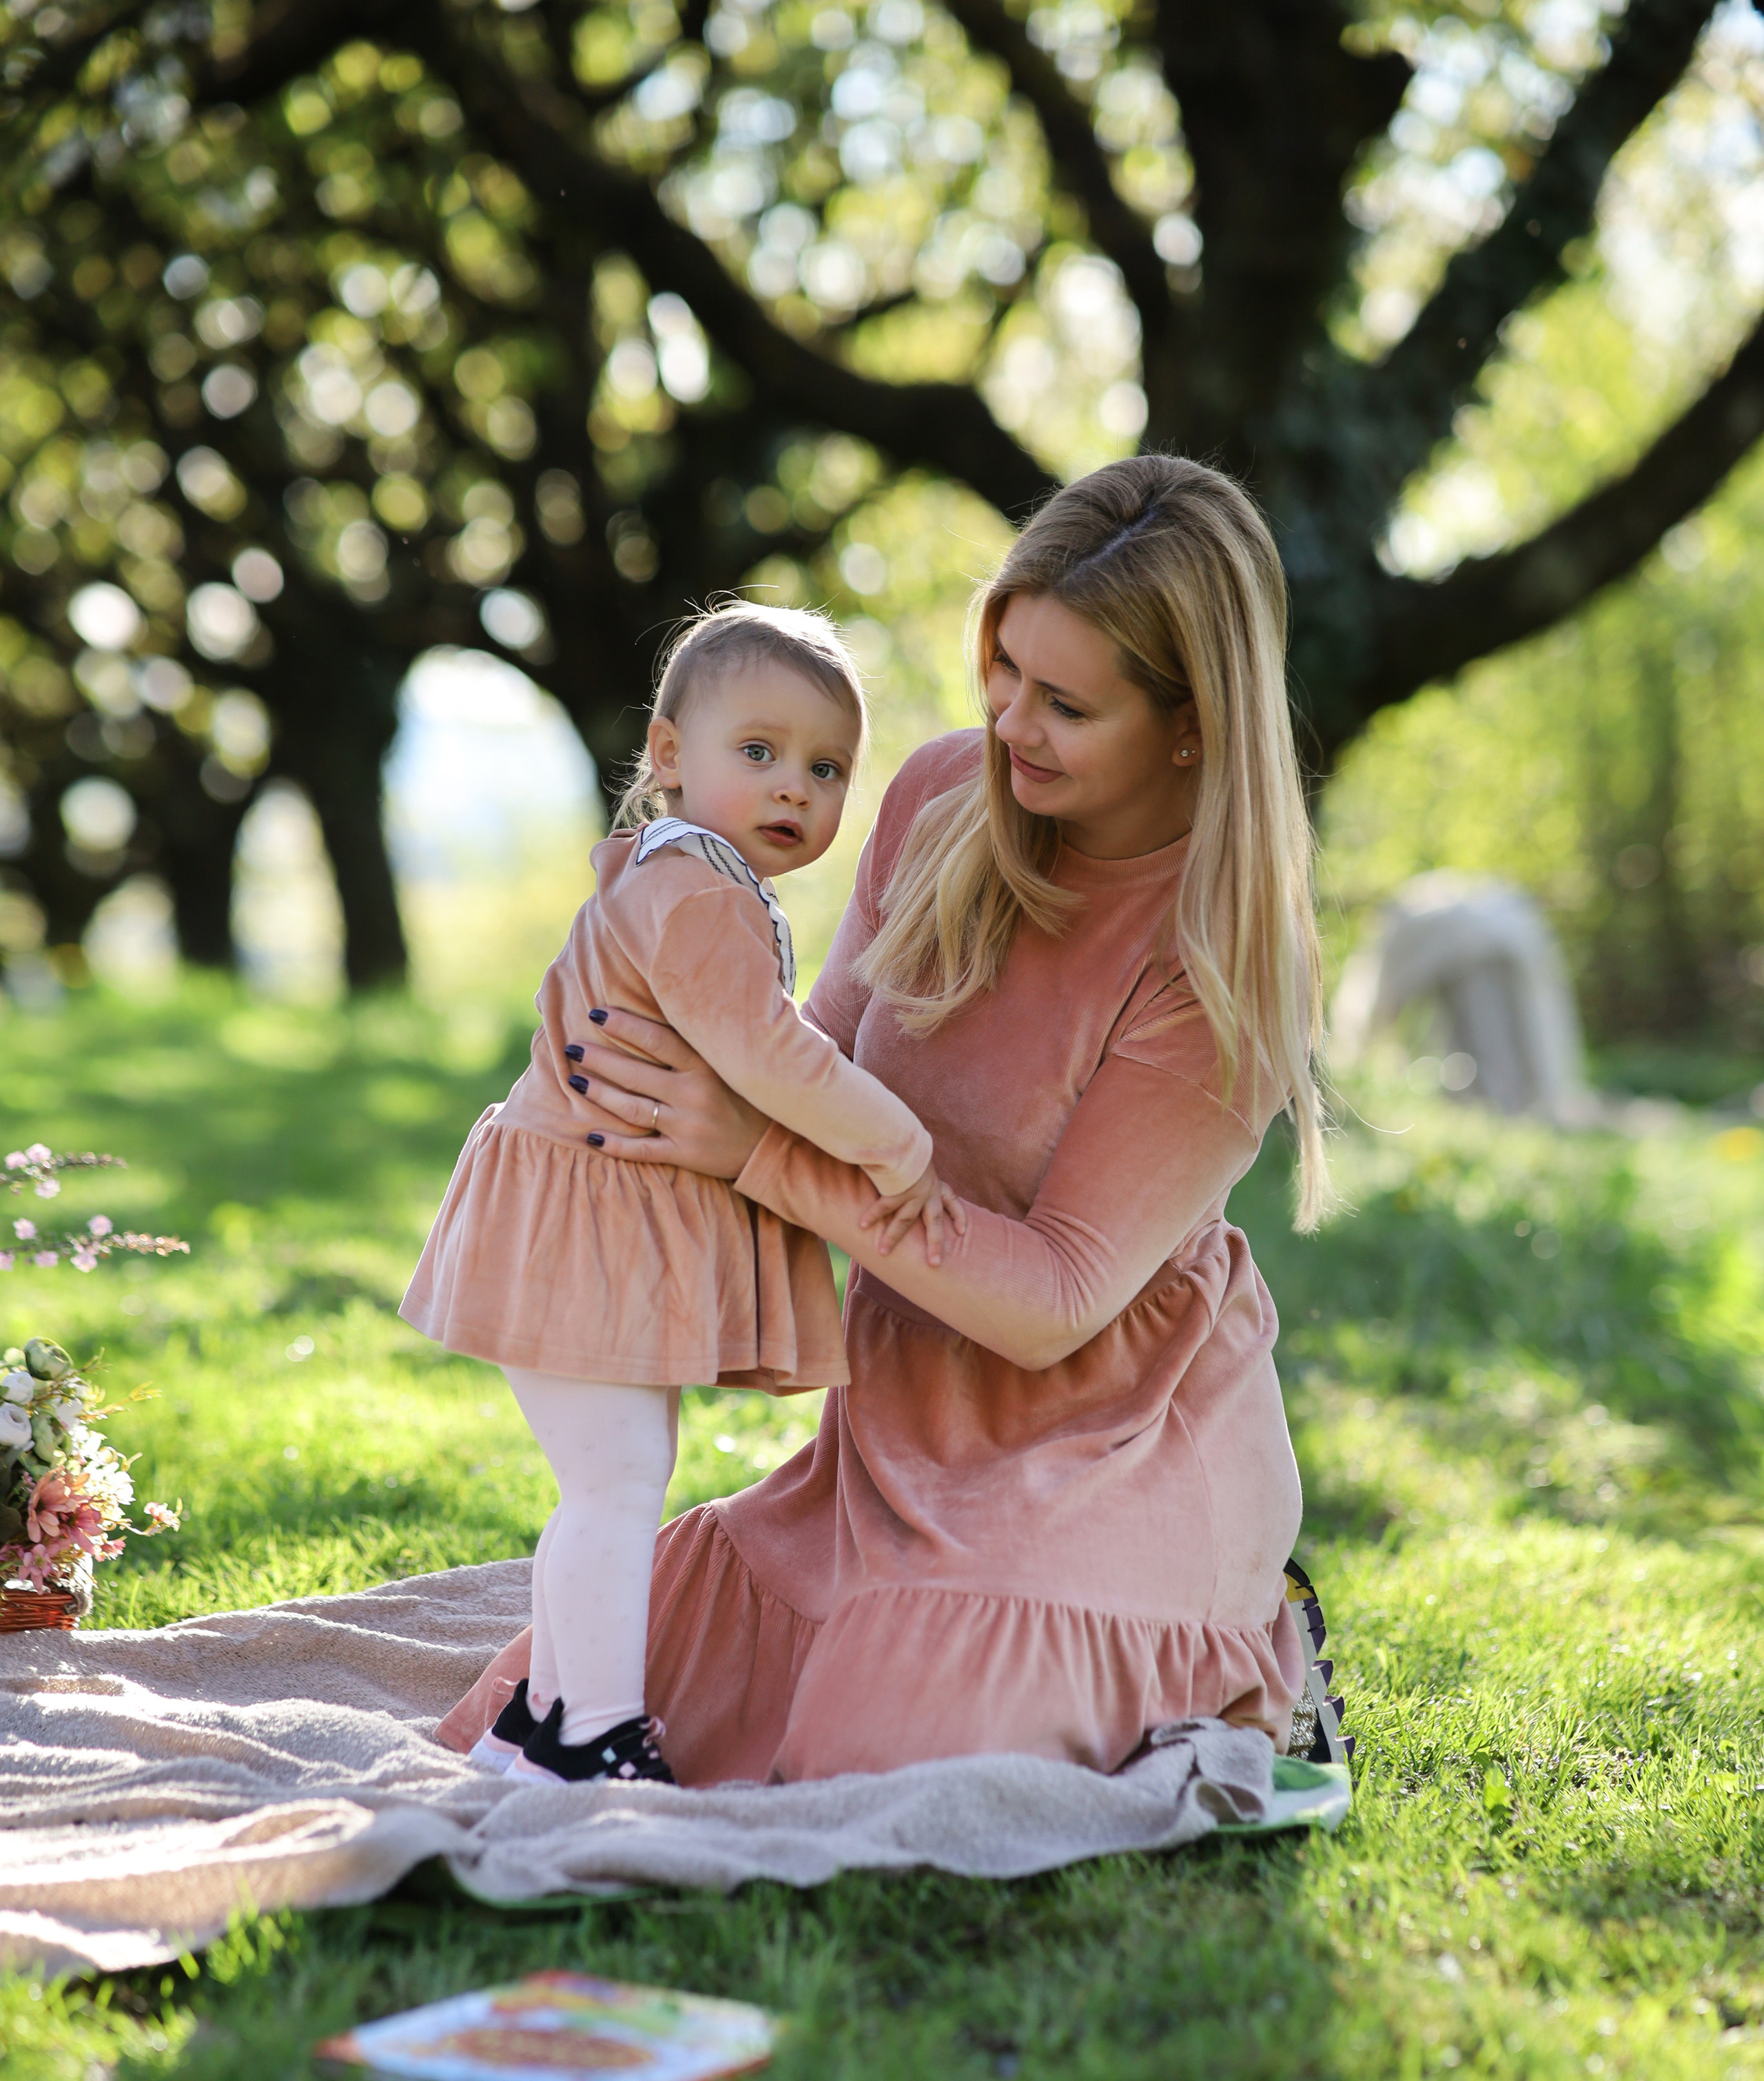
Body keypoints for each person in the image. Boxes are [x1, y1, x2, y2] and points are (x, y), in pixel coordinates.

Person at [438, 455, 1330, 1786]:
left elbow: (1057, 1297)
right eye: (1004, 672)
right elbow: (818, 1048)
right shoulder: (939, 800)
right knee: (626, 1695)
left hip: (1109, 1439)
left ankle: (1240, 1642)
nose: (1011, 725)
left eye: (1066, 704)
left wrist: (756, 1154)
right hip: (903, 1420)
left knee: (883, 1748)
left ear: (1192, 724)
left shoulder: (1223, 961)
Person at [402, 603, 961, 1786]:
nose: (793, 788)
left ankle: (548, 1720)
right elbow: (770, 1054)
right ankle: (594, 1730)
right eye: (756, 752)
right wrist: (897, 1139)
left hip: (581, 1218)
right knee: (613, 1487)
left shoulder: (697, 877)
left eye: (825, 769)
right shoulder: (696, 890)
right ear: (668, 754)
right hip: (577, 1224)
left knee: (605, 1485)